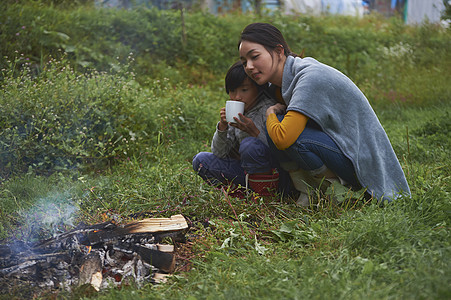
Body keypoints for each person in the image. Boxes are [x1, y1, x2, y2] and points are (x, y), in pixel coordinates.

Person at [237, 22, 410, 205]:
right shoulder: (280, 85)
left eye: (254, 57)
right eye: (243, 62)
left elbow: (283, 138)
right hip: (339, 150)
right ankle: (306, 190)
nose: (248, 66)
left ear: (279, 51)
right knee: (278, 125)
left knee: (282, 129)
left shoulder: (309, 78)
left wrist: (269, 113)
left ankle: (335, 193)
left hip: (360, 161)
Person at [192, 61, 291, 198]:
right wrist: (222, 127)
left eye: (244, 90)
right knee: (200, 160)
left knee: (250, 145)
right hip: (246, 174)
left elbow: (283, 153)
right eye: (233, 91)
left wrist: (254, 132)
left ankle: (265, 196)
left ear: (259, 89)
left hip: (276, 176)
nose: (237, 97)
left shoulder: (269, 110)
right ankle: (243, 193)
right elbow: (219, 153)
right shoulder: (240, 112)